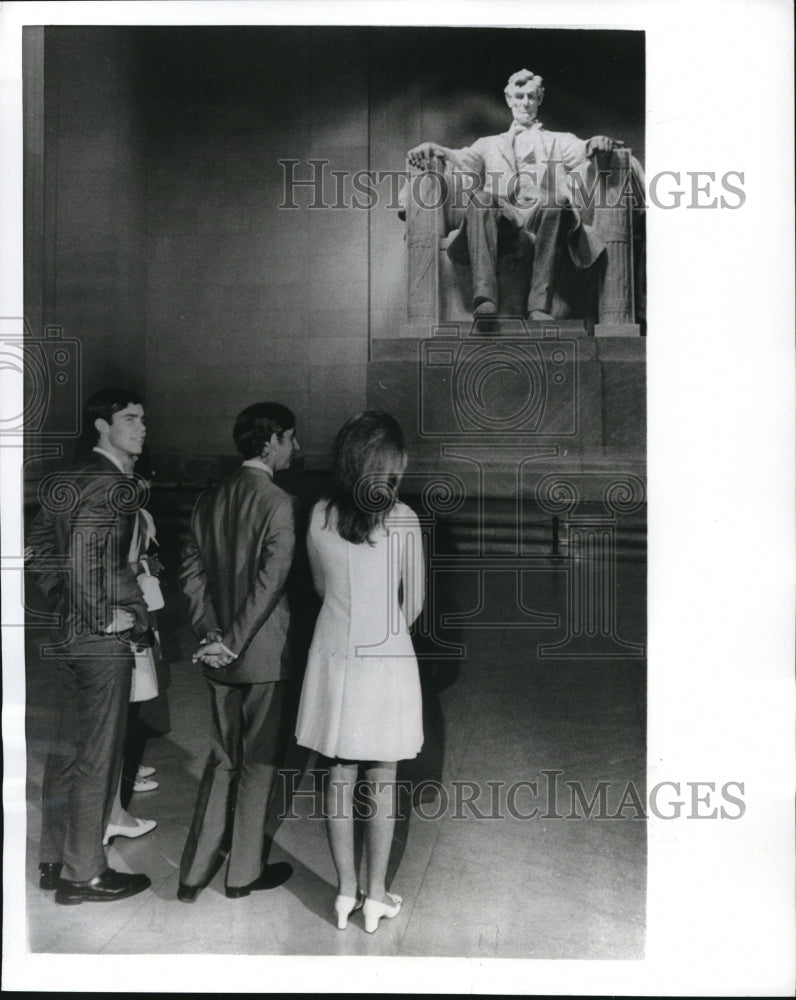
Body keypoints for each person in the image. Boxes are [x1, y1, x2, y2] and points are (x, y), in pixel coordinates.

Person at [295, 411, 425, 934]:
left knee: (339, 775)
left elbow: (321, 588)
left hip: (333, 651)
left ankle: (344, 892)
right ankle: (376, 897)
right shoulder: (403, 519)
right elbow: (412, 603)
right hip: (387, 653)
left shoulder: (320, 515)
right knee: (384, 777)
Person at [27, 386, 152, 904]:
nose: (142, 427)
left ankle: (55, 862)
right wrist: (105, 618)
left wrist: (67, 607)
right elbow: (85, 559)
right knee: (97, 758)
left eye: (143, 419)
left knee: (66, 755)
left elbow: (36, 548)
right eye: (129, 418)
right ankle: (84, 874)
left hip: (65, 637)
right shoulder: (108, 485)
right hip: (99, 643)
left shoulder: (72, 479)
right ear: (102, 427)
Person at [177, 403, 300, 902]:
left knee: (222, 759)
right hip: (261, 654)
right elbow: (271, 583)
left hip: (216, 657)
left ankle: (192, 873)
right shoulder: (278, 502)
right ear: (270, 442)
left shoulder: (210, 498)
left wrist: (212, 634)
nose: (297, 447)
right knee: (259, 762)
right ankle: (243, 873)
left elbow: (189, 570)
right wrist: (236, 639)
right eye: (292, 438)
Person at [407, 68, 626, 320]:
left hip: (542, 213)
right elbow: (463, 158)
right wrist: (436, 148)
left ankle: (539, 306)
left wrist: (594, 142)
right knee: (481, 199)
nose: (525, 103)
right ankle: (485, 299)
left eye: (531, 97)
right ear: (509, 100)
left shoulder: (558, 140)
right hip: (504, 217)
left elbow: (581, 149)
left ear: (539, 100)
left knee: (558, 202)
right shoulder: (489, 143)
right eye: (519, 96)